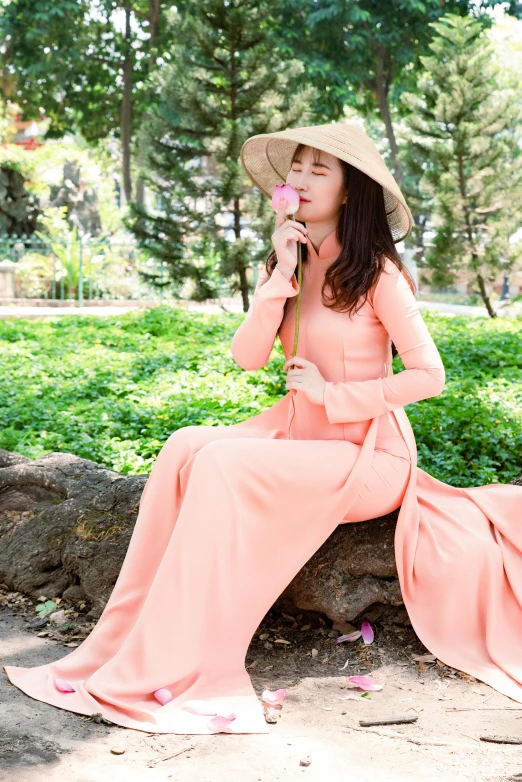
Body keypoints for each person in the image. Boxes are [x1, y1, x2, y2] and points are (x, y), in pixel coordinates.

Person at [2, 122, 521, 736]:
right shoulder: (290, 259)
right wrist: (278, 280)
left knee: (223, 464)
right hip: (299, 438)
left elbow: (430, 376)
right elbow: (248, 357)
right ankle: (123, 640)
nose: (298, 179)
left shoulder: (376, 274)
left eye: (317, 170)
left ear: (351, 190)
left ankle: (186, 660)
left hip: (368, 455)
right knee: (184, 446)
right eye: (295, 166)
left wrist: (335, 394)